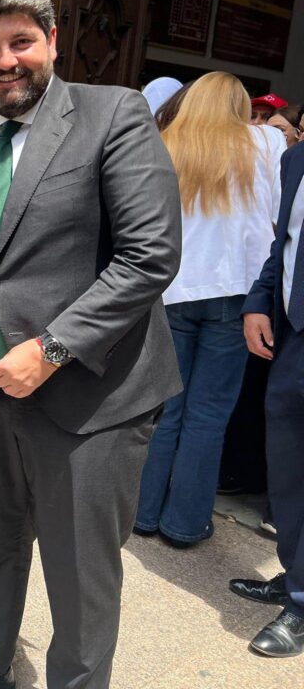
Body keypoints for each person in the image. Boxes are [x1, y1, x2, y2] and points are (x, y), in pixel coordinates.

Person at [0, 0, 181, 689]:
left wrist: (53, 348)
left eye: (21, 42)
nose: (6, 61)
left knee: (80, 580)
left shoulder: (112, 114)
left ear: (53, 42)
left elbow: (149, 256)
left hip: (90, 402)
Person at [134, 72, 284, 549]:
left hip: (173, 288)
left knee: (165, 408)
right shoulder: (265, 143)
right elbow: (280, 215)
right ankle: (185, 523)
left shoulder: (167, 141)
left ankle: (143, 512)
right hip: (237, 290)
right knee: (210, 415)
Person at [228, 136, 304, 658]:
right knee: (288, 467)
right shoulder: (295, 158)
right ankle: (296, 573)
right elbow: (286, 244)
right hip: (292, 336)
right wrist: (259, 299)